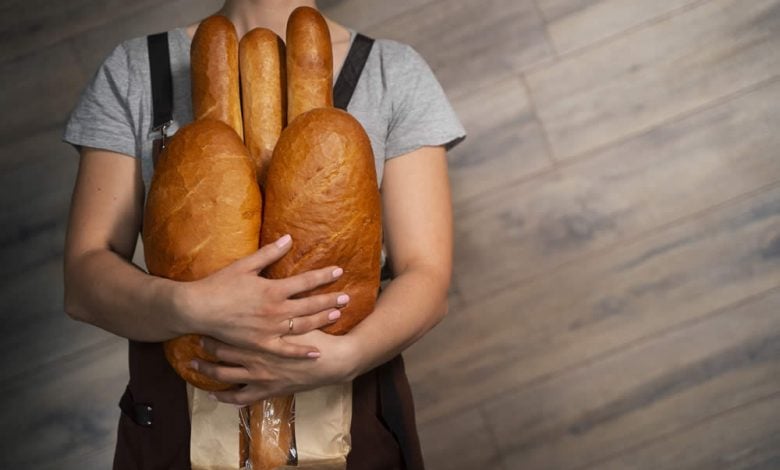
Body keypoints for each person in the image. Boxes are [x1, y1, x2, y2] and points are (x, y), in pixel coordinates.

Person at [62, 0, 465, 468]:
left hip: (350, 423)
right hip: (177, 428)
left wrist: (344, 356)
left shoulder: (391, 72)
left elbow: (427, 277)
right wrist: (189, 306)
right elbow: (84, 282)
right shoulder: (137, 69)